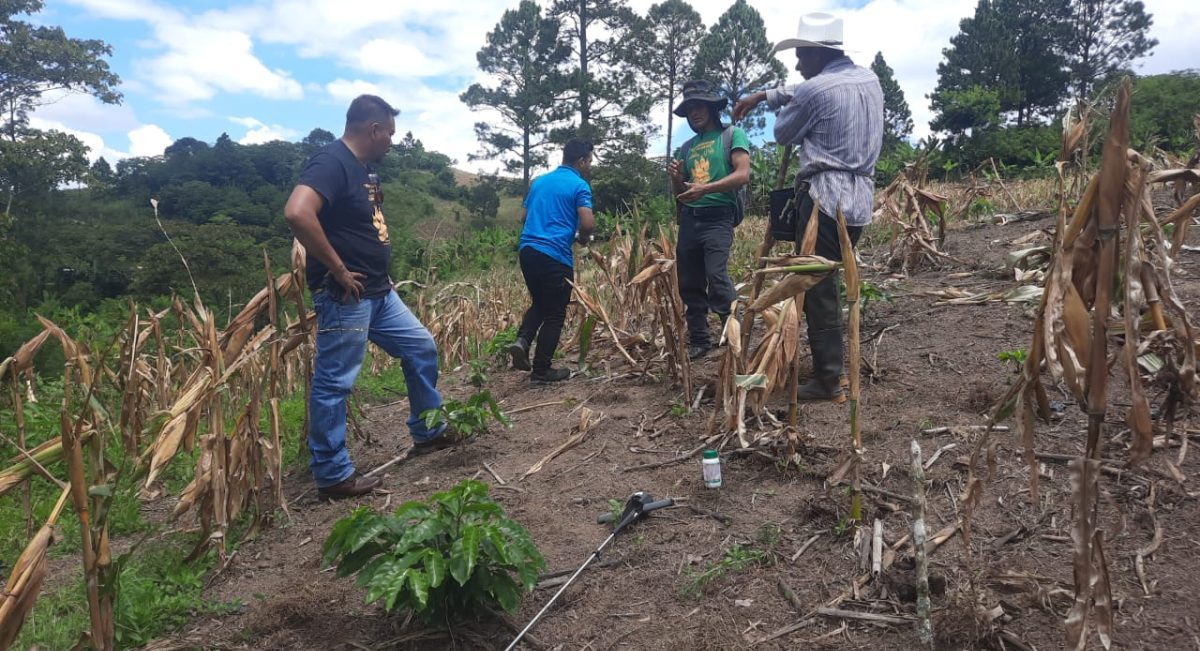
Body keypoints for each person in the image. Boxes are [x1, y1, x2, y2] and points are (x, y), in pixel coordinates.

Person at [284, 94, 460, 499]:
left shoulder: (364, 170)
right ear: (373, 130)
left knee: (421, 348)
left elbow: (366, 229)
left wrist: (382, 273)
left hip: (379, 292)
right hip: (346, 295)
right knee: (336, 381)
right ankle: (332, 475)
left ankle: (428, 430)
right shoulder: (331, 162)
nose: (392, 143)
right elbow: (297, 212)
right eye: (390, 135)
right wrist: (339, 268)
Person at [733, 12, 883, 401]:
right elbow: (806, 89)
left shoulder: (815, 92)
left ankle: (828, 379)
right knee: (832, 283)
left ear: (815, 55)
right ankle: (835, 369)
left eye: (801, 56)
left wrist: (779, 104)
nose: (798, 65)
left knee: (816, 288)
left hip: (824, 198)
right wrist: (765, 95)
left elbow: (783, 132)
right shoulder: (869, 79)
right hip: (860, 200)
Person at [668, 79, 751, 360]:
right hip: (691, 219)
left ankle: (733, 333)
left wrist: (707, 188)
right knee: (689, 281)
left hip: (719, 218)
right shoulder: (687, 147)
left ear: (712, 108)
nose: (695, 113)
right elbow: (681, 194)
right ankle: (700, 339)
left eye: (700, 106)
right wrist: (678, 179)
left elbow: (742, 175)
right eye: (690, 109)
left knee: (716, 275)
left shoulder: (731, 135)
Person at [508, 139, 596, 382]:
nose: (589, 166)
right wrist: (583, 238)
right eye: (589, 161)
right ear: (580, 161)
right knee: (556, 312)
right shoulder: (579, 185)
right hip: (555, 255)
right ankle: (541, 370)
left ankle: (523, 340)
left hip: (527, 251)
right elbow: (587, 223)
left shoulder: (540, 182)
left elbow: (524, 217)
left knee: (541, 302)